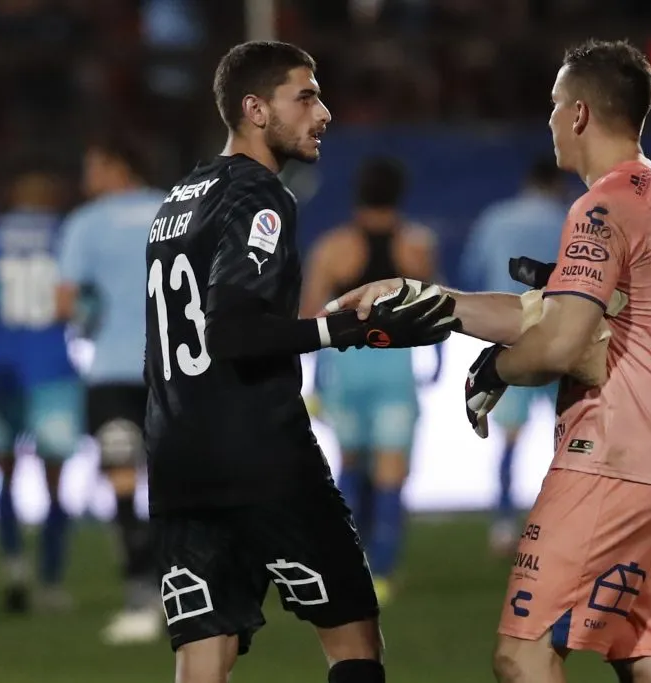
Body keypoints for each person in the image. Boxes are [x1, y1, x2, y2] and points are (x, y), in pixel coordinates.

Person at [328, 39, 651, 683]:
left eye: (555, 105)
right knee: (650, 662)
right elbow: (559, 316)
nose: (550, 119)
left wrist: (495, 369)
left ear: (580, 113)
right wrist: (429, 299)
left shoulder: (601, 204)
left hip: (609, 460)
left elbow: (558, 345)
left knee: (523, 654)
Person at [143, 41, 458, 683]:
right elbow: (234, 331)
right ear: (256, 109)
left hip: (179, 457)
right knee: (354, 640)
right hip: (259, 452)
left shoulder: (177, 199)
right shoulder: (260, 196)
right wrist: (346, 328)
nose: (325, 112)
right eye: (306, 96)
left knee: (204, 657)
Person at [301, 155, 437, 603]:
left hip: (345, 373)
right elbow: (440, 312)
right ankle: (381, 572)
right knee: (391, 473)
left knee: (351, 469)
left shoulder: (332, 248)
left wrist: (316, 384)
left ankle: (349, 563)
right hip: (394, 373)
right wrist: (434, 364)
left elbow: (310, 321)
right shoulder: (417, 247)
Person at [0, 166, 82, 614]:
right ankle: (50, 581)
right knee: (54, 485)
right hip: (54, 374)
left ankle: (13, 566)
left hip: (4, 371)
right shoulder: (66, 234)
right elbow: (81, 303)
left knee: (4, 474)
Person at [56, 135, 167, 643]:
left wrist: (92, 316)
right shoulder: (175, 208)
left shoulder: (86, 223)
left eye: (92, 167)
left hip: (114, 373)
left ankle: (142, 599)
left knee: (123, 482)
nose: (86, 180)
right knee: (179, 484)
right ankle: (199, 591)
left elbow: (65, 304)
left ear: (117, 166)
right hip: (176, 368)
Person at [461, 156, 569, 556]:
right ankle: (562, 521)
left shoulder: (496, 218)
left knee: (508, 438)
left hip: (509, 336)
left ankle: (504, 524)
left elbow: (473, 273)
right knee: (569, 434)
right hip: (561, 338)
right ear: (555, 184)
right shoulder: (569, 217)